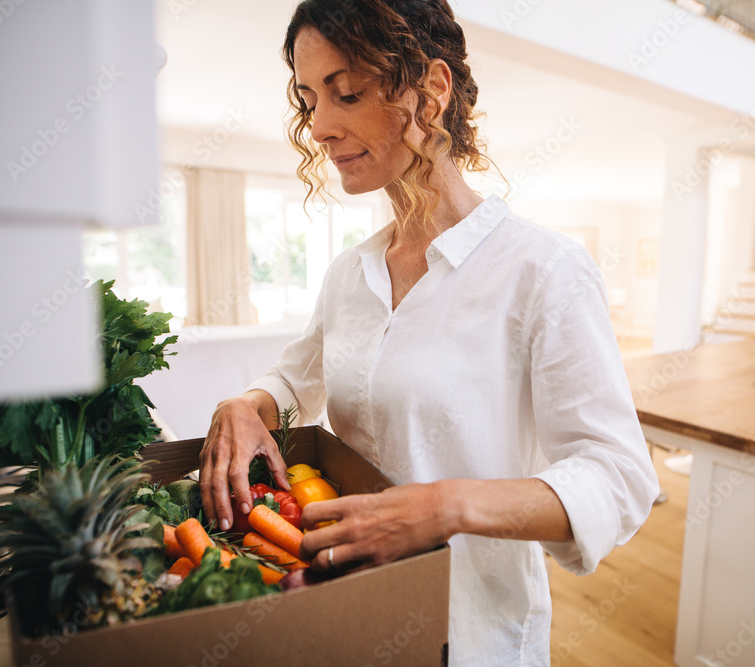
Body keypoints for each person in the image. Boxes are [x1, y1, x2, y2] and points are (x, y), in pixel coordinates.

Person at [198, 1, 659, 664]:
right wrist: (249, 405)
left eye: (346, 92)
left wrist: (444, 507)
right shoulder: (349, 274)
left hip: (471, 633)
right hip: (346, 611)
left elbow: (618, 477)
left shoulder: (542, 271)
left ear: (433, 90)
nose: (320, 126)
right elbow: (296, 380)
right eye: (308, 98)